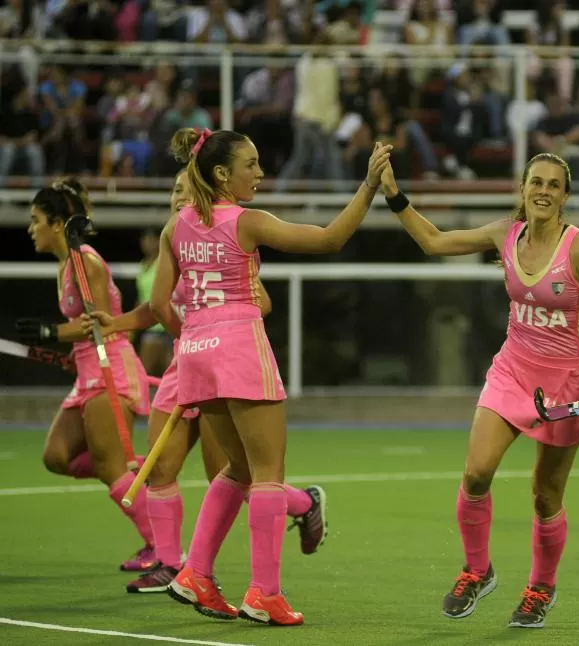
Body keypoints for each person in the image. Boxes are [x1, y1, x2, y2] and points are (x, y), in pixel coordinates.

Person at [379, 152, 579, 629]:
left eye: (553, 185)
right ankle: (477, 570)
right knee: (476, 472)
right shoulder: (506, 233)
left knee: (545, 495)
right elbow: (434, 242)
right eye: (535, 182)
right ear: (523, 189)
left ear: (565, 196)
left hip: (566, 384)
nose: (543, 191)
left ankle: (541, 587)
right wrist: (394, 196)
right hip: (512, 370)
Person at [151, 127, 391, 625]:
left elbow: (159, 304)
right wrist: (368, 186)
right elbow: (330, 238)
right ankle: (264, 593)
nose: (260, 173)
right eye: (251, 165)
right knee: (266, 475)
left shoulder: (175, 227)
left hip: (194, 349)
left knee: (235, 470)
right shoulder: (247, 221)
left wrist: (194, 335)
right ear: (222, 174)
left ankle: (196, 572)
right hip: (238, 344)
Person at [84, 170, 328, 594]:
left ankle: (303, 505)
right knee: (160, 466)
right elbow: (155, 307)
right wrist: (119, 323)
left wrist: (203, 335)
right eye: (173, 189)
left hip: (212, 359)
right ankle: (169, 563)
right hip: (188, 362)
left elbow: (261, 301)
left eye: (184, 189)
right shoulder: (176, 237)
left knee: (232, 473)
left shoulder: (219, 239)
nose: (178, 196)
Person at [15, 178, 156, 572]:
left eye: (35, 220)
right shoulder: (64, 266)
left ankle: (163, 549)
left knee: (109, 466)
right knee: (56, 456)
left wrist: (49, 333)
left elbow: (96, 324)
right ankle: (135, 469)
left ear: (58, 224)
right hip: (87, 370)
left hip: (110, 366)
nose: (31, 229)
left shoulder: (85, 261)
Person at [135, 226, 173, 376]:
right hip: (150, 325)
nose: (147, 243)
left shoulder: (164, 263)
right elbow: (141, 298)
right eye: (145, 240)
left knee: (146, 374)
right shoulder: (143, 265)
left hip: (165, 326)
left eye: (151, 240)